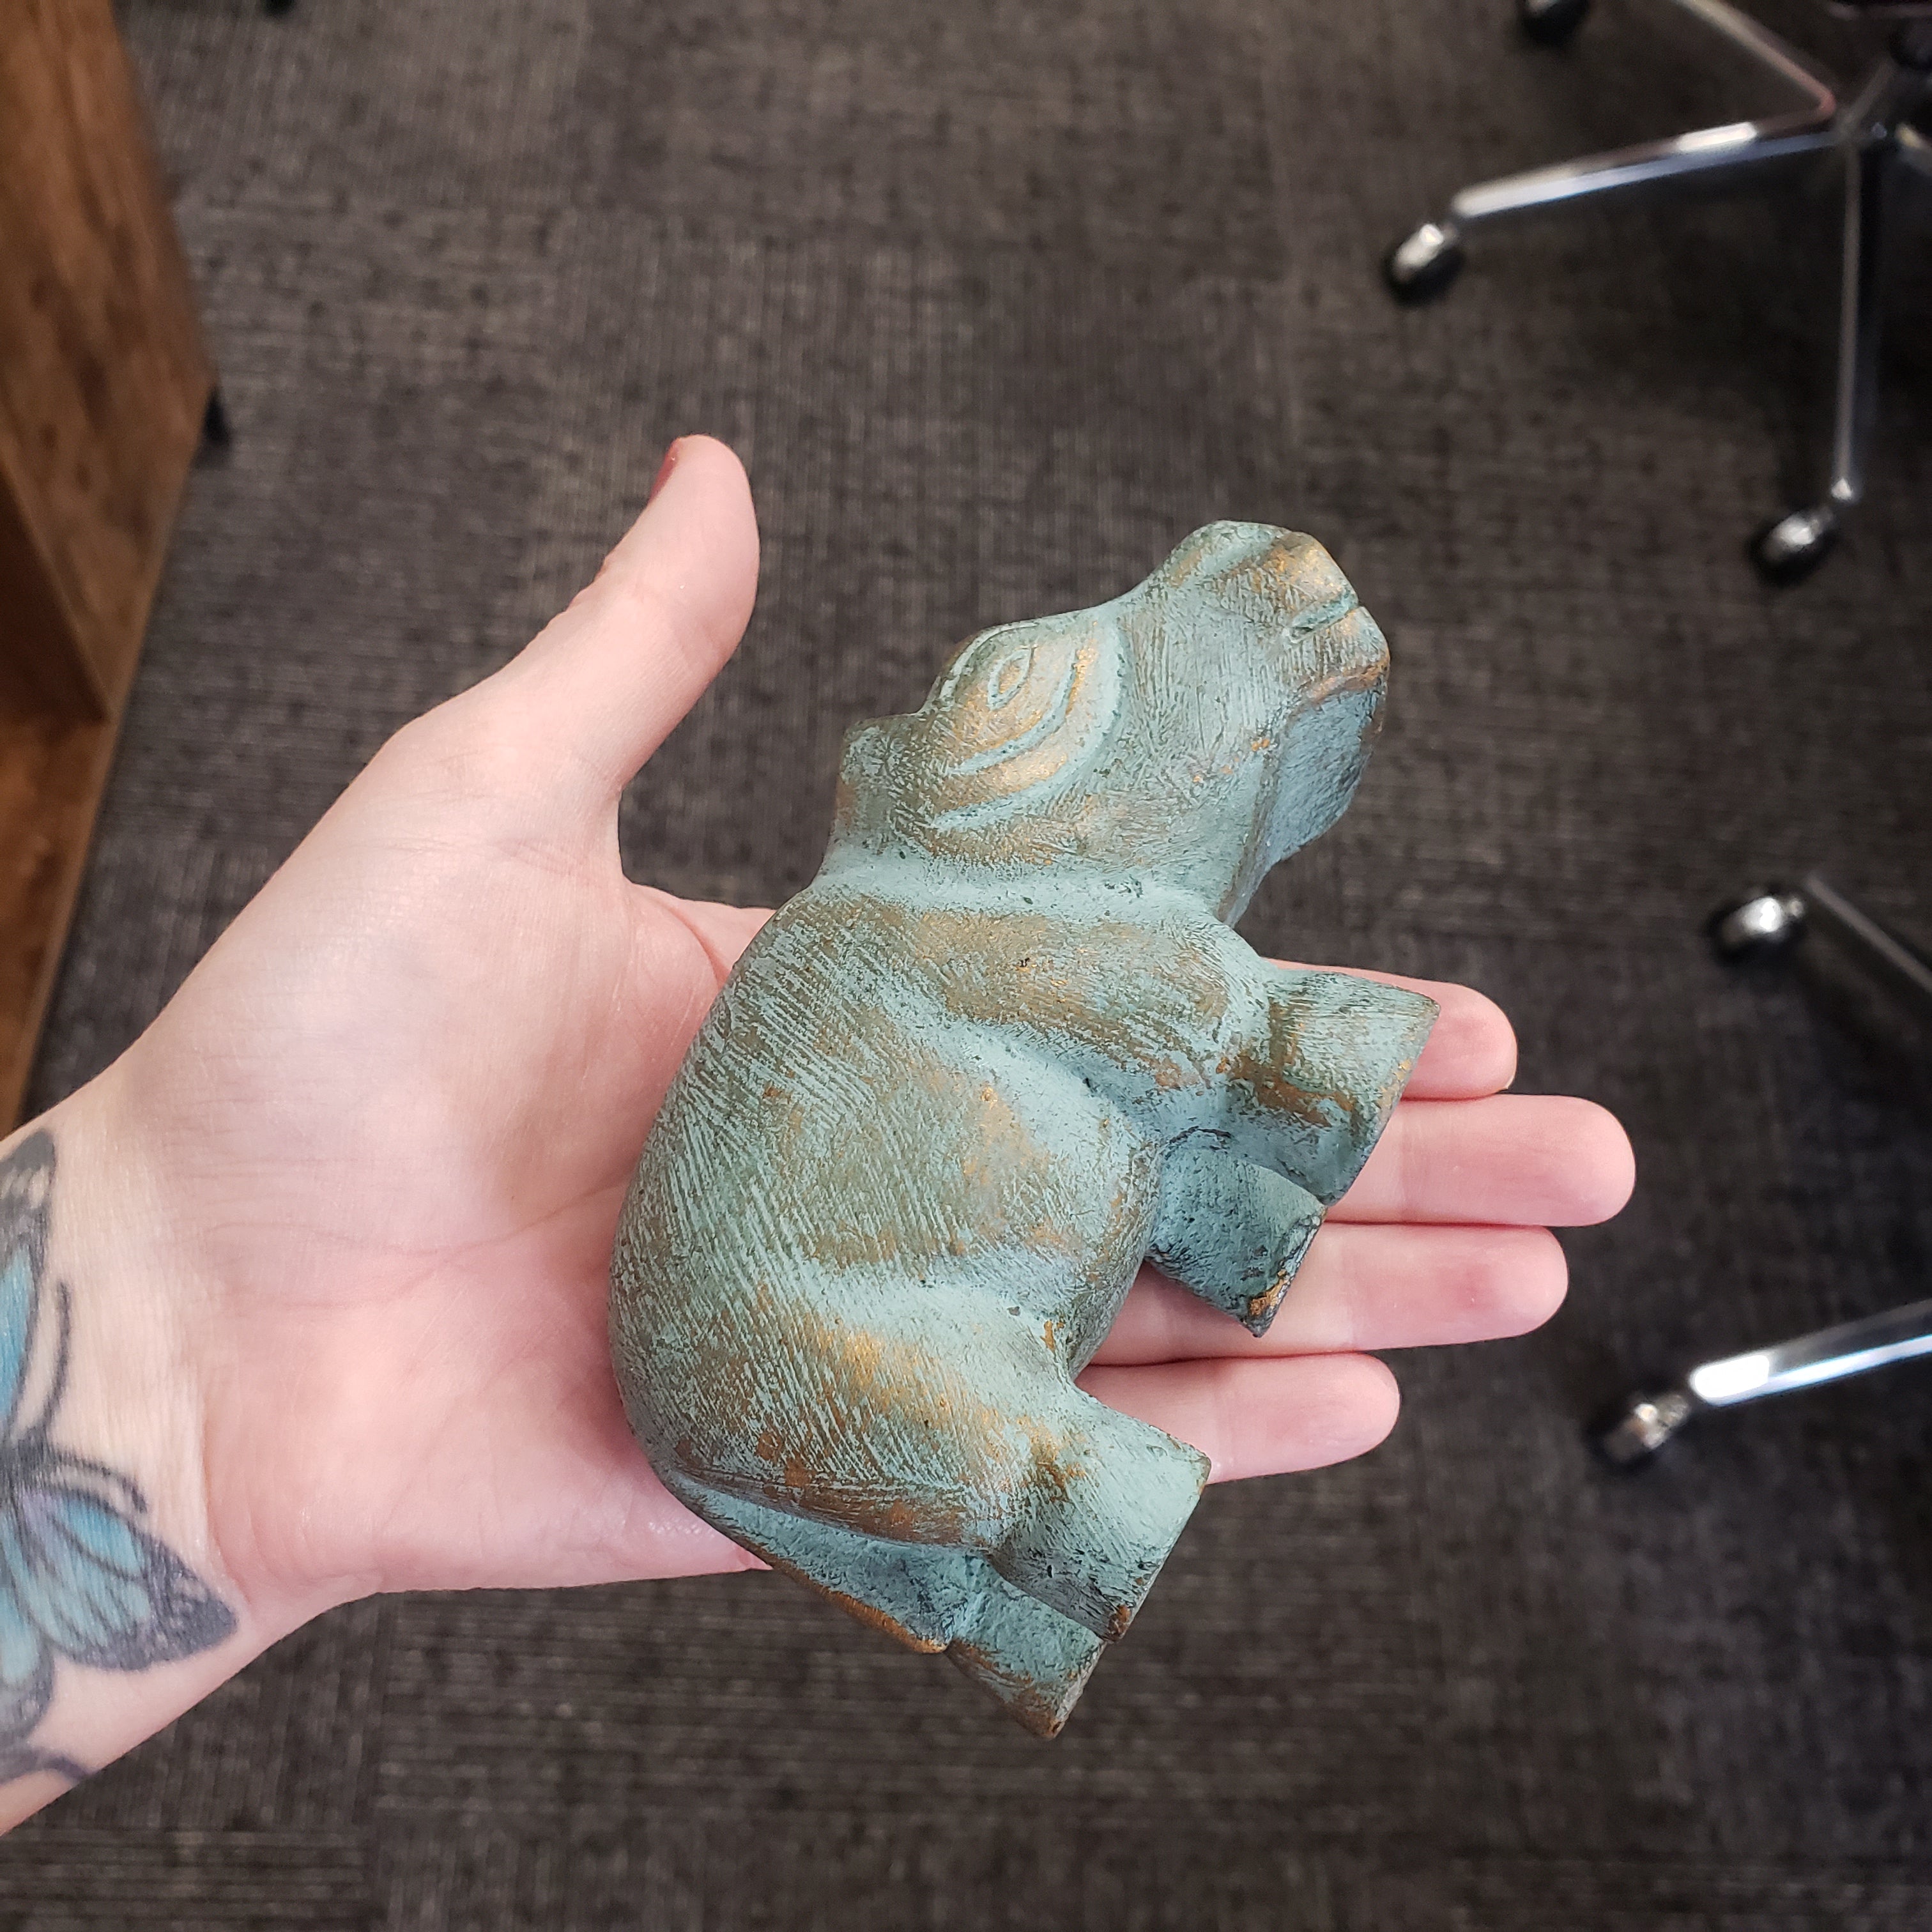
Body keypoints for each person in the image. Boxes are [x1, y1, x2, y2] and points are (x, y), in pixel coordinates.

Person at [0, 438, 1634, 1830]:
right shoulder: (945, 920)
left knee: (1027, 1401)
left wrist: (161, 1353)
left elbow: (1176, 1031)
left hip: (791, 1336)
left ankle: (1032, 1520)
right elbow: (1204, 1024)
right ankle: (1041, 1508)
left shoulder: (955, 917)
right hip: (790, 1335)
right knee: (1020, 1439)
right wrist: (1286, 1048)